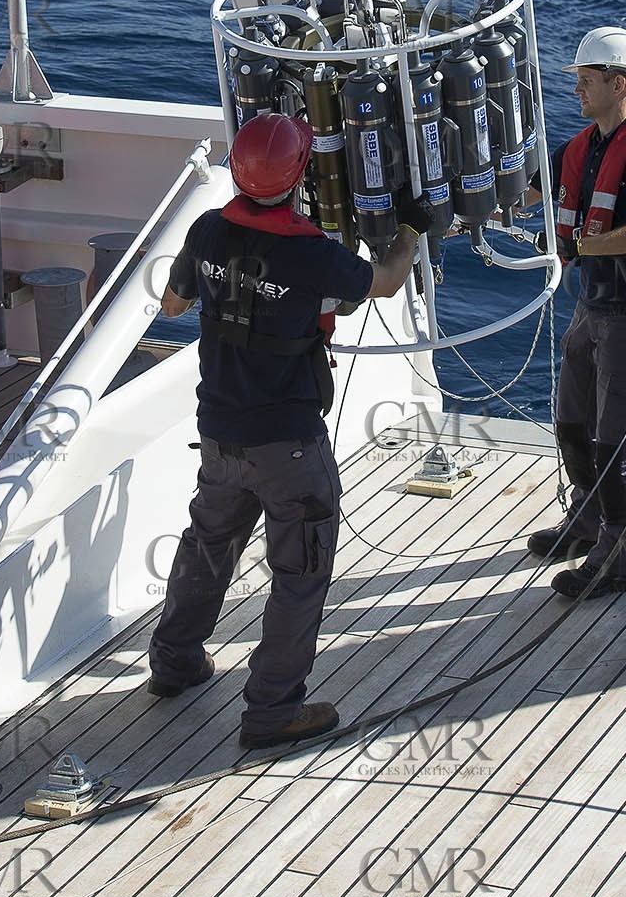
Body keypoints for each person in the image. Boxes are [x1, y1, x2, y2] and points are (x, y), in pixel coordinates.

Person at [148, 110, 431, 749]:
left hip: (219, 433)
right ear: (300, 174)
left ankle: (174, 662)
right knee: (300, 572)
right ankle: (272, 710)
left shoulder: (207, 230)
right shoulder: (312, 255)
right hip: (288, 447)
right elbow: (387, 282)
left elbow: (172, 304)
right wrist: (410, 230)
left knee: (208, 546)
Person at [526, 27, 626, 600]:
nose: (578, 90)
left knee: (617, 440)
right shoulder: (581, 147)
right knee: (572, 419)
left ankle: (616, 556)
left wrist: (583, 246)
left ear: (619, 84)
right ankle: (586, 520)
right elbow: (529, 191)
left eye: (587, 81)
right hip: (593, 305)